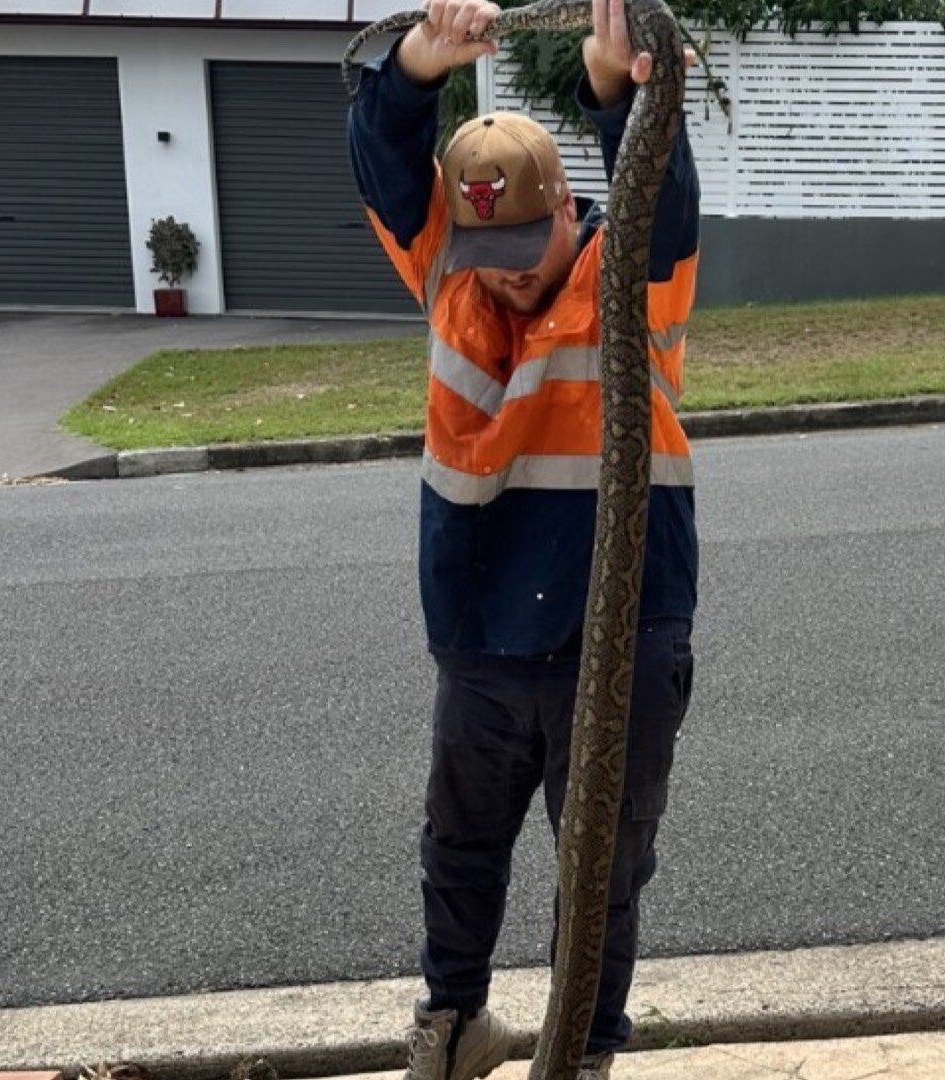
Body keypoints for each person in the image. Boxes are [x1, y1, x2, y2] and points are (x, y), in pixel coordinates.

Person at [347, 0, 702, 1076]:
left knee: (603, 865)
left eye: (524, 242)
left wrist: (615, 86)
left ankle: (583, 1048)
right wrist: (417, 62)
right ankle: (453, 1026)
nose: (505, 269)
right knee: (459, 847)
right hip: (482, 636)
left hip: (625, 633)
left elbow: (661, 181)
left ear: (570, 211)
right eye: (483, 243)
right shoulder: (449, 277)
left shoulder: (634, 277)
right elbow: (380, 157)